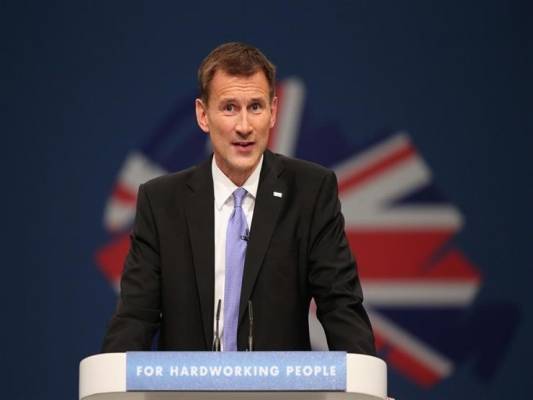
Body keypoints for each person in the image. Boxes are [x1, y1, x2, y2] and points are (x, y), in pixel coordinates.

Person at [102, 42, 375, 355]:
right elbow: (136, 316)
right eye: (229, 107)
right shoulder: (161, 202)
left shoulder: (310, 192)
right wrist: (111, 375)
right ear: (203, 115)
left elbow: (341, 305)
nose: (244, 127)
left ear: (273, 112)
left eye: (255, 107)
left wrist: (364, 377)